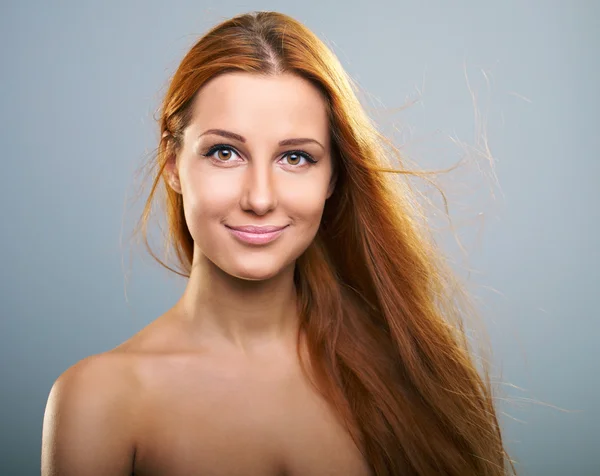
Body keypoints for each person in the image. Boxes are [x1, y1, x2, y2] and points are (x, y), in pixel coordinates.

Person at [41, 11, 515, 476]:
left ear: (333, 177)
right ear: (172, 164)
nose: (260, 198)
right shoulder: (100, 400)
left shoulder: (408, 371)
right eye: (224, 152)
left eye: (295, 157)